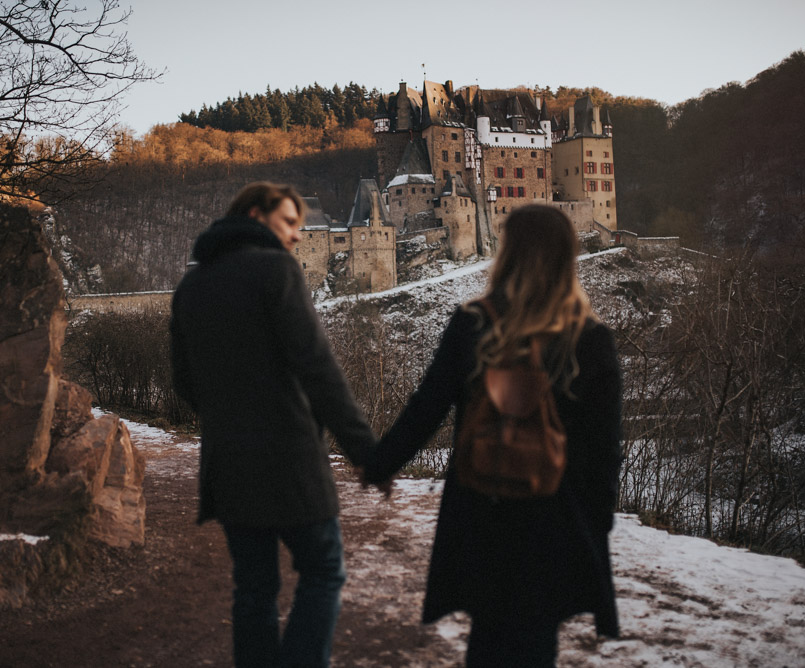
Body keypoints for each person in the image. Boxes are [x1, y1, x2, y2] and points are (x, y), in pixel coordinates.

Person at [363, 204, 622, 667]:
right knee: (536, 638)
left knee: (488, 636)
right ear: (566, 257)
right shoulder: (589, 337)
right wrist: (596, 525)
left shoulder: (473, 323)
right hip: (554, 514)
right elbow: (603, 451)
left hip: (482, 505)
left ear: (508, 254)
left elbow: (426, 408)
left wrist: (382, 465)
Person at [171, 182, 377, 668]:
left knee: (254, 587)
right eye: (289, 223)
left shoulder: (191, 286)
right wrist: (364, 450)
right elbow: (317, 368)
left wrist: (231, 413)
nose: (298, 237)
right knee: (323, 570)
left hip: (228, 460)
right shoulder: (275, 270)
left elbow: (184, 382)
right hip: (290, 458)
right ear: (256, 214)